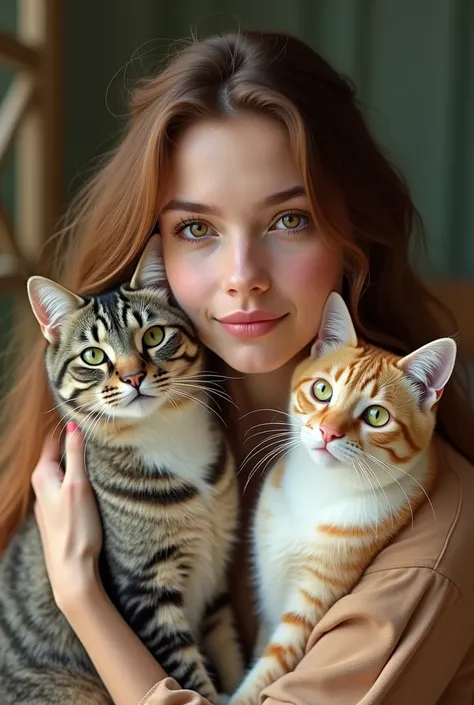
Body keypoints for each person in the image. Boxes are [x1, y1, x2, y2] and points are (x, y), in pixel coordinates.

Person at [1, 29, 474, 705]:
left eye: (290, 219)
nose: (242, 276)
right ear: (151, 256)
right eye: (196, 228)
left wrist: (81, 594)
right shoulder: (138, 434)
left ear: (353, 238)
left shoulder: (432, 540)